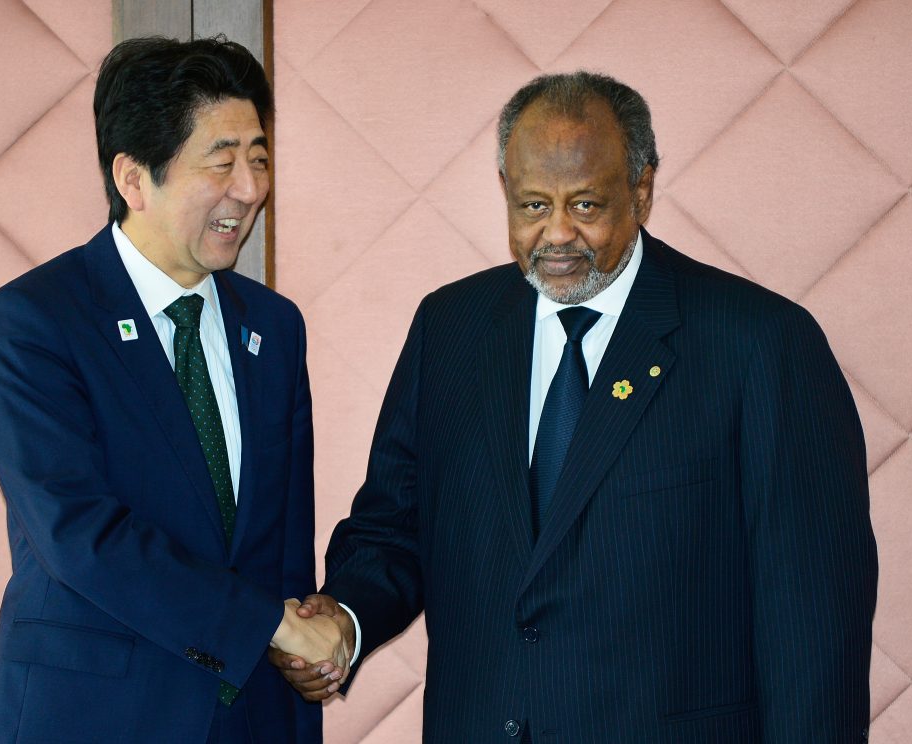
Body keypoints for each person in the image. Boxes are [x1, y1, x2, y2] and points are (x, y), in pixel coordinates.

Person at [270, 71, 878, 743]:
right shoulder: (451, 329)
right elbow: (394, 527)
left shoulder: (760, 346)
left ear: (641, 187)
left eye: (585, 206)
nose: (556, 235)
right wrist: (345, 619)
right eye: (533, 206)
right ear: (504, 188)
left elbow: (813, 623)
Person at [0, 36, 347, 744]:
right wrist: (268, 626)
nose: (250, 187)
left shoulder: (273, 327)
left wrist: (301, 671)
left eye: (259, 158)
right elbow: (80, 534)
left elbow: (283, 551)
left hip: (251, 720)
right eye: (222, 160)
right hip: (92, 718)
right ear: (134, 177)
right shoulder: (34, 322)